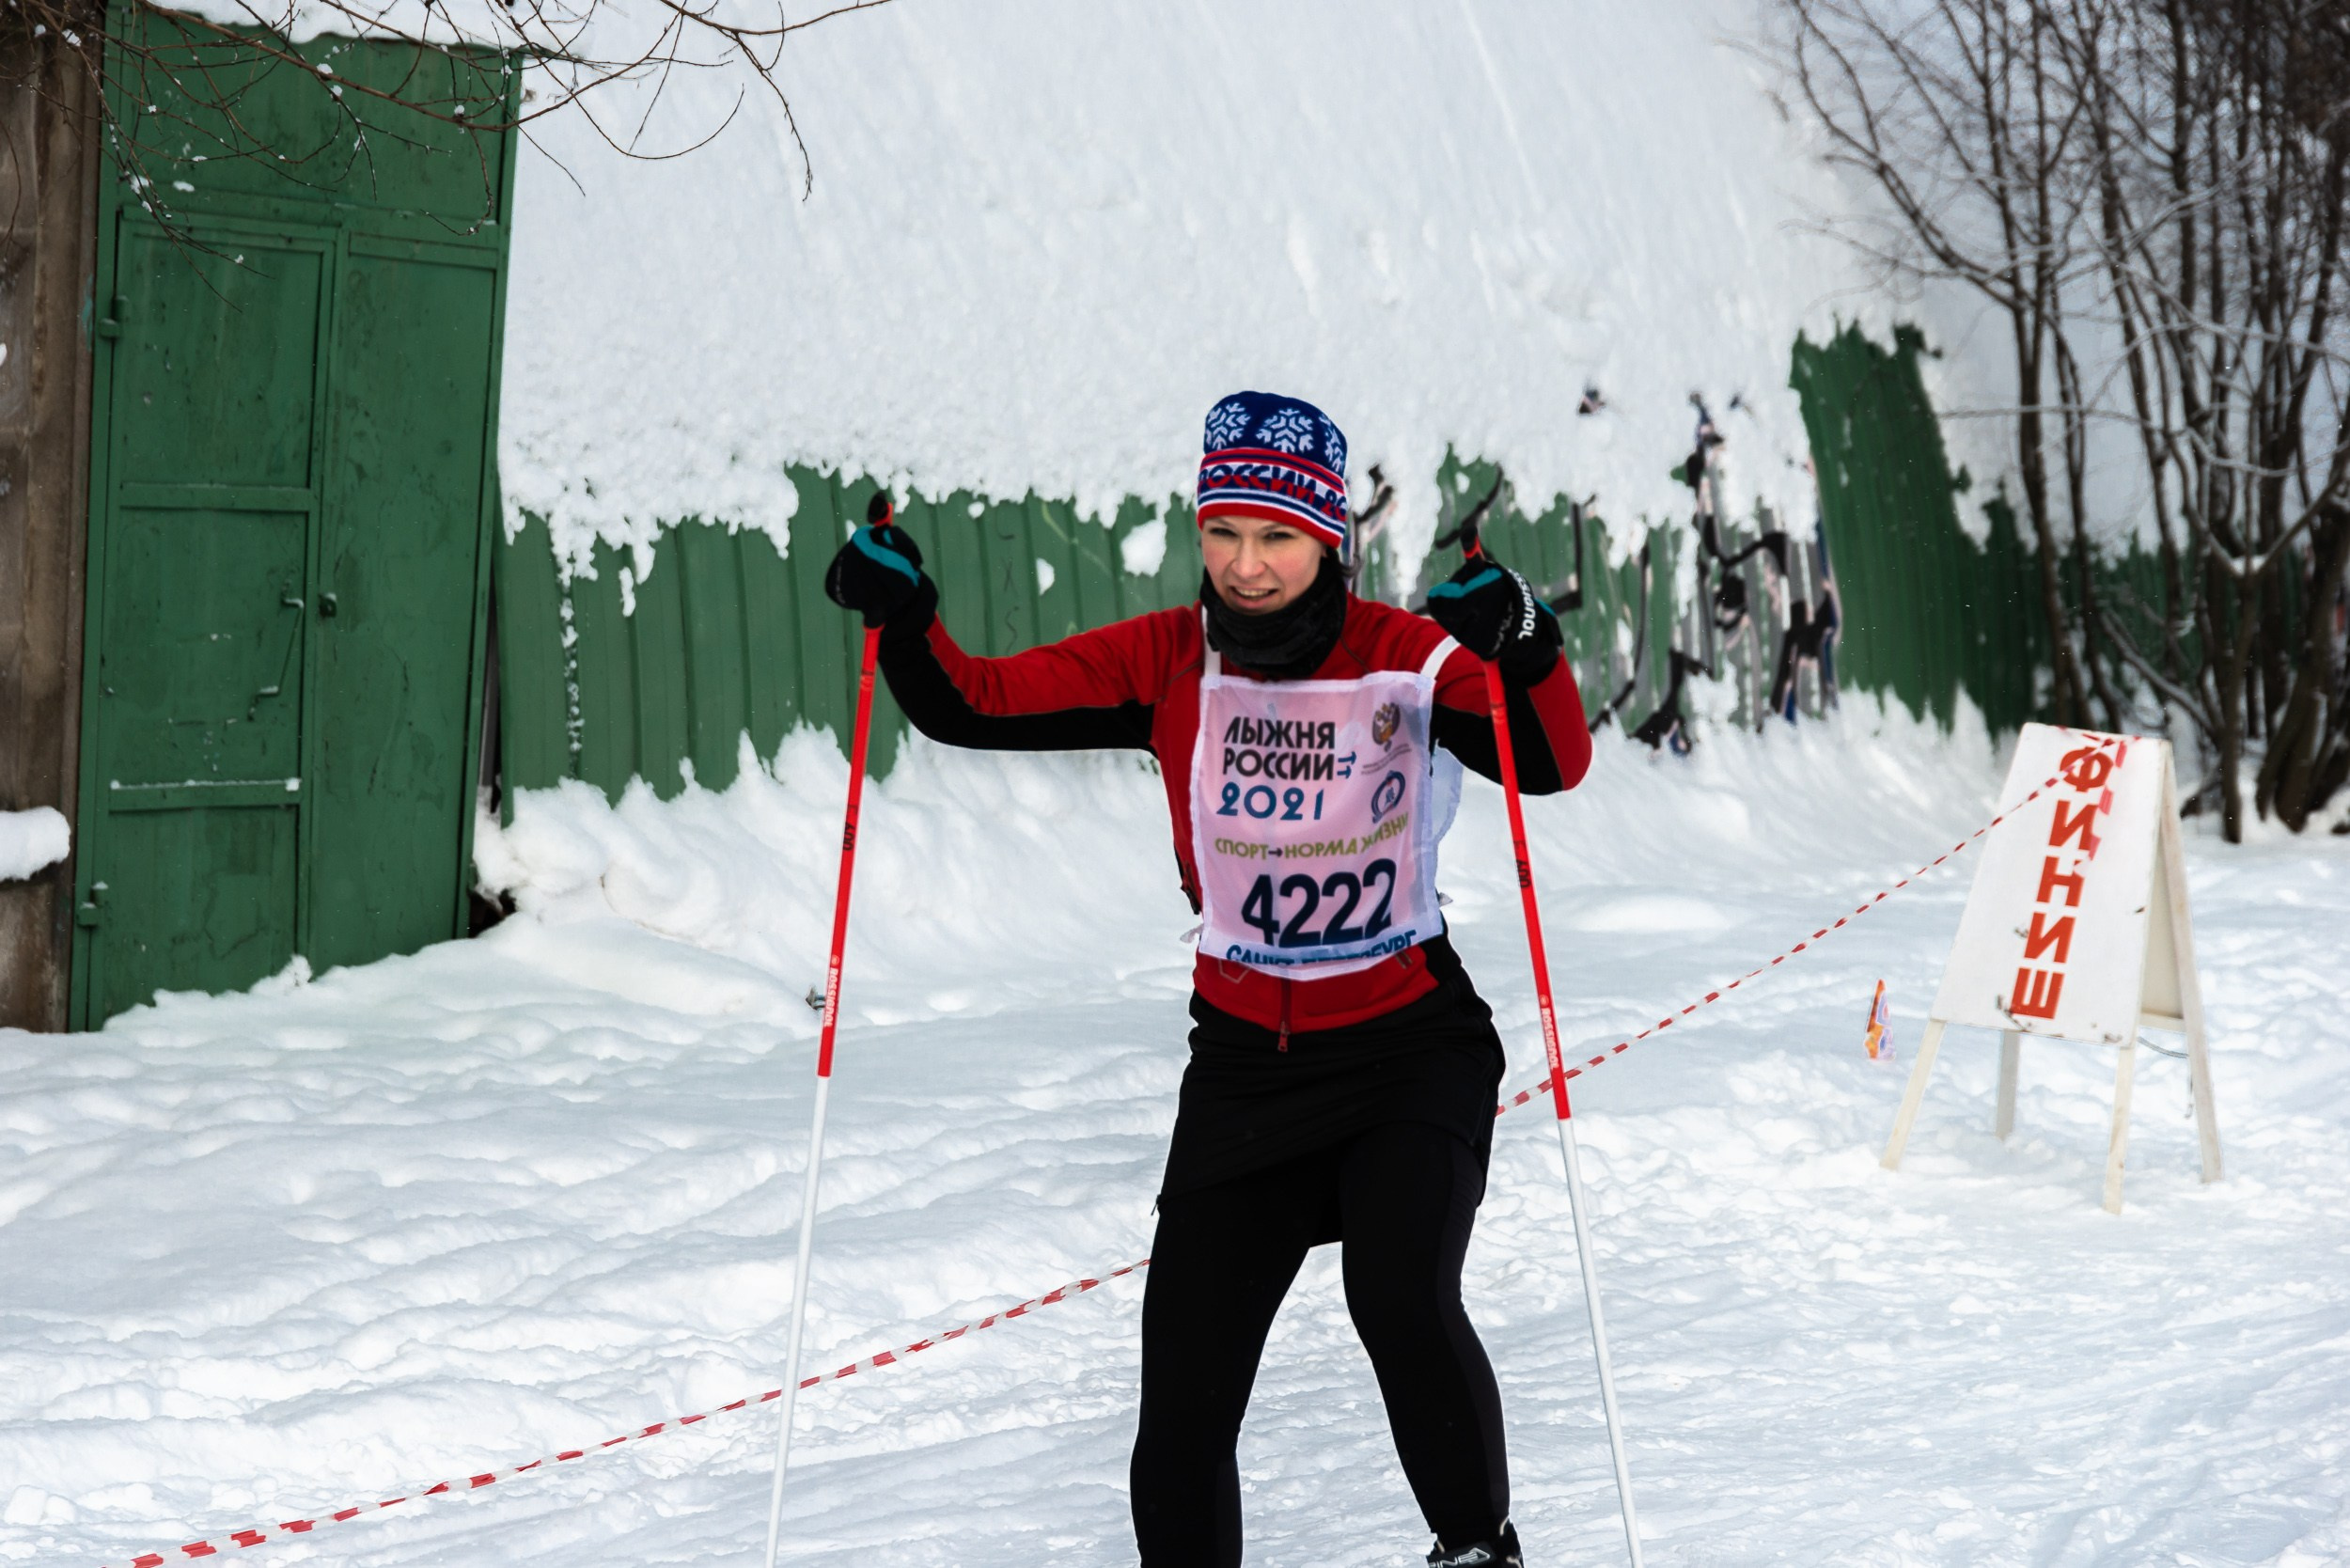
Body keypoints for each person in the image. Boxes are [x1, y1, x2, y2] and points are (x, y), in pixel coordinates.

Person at [824, 391, 1592, 1567]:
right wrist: (910, 614)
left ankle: (1478, 1548)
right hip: (1244, 1070)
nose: (1246, 566)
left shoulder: (1400, 656)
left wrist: (1526, 638)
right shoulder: (1166, 658)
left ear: (1328, 537)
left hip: (1405, 1047)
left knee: (1398, 1300)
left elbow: (1547, 762)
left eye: (1277, 537)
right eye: (1222, 532)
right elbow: (970, 704)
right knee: (1181, 1396)